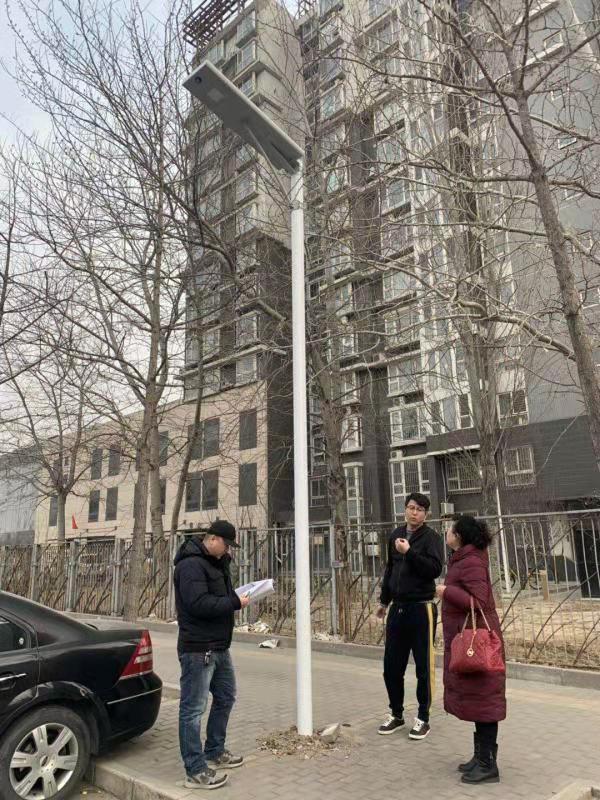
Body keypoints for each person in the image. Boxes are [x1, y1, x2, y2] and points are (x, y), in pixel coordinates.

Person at [174, 520, 250, 790]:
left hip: (218, 646)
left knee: (226, 696)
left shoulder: (216, 563)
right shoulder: (190, 565)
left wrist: (235, 594)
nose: (228, 551)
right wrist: (234, 602)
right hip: (198, 648)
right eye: (226, 545)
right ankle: (195, 770)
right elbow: (198, 603)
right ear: (213, 539)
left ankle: (215, 750)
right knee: (193, 709)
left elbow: (219, 595)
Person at [436, 515, 506, 784]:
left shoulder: (472, 561)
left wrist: (446, 591)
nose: (446, 532)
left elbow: (478, 601)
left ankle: (488, 764)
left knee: (485, 700)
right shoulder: (464, 558)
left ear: (459, 535)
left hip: (479, 644)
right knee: (479, 699)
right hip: (469, 641)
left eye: (449, 529)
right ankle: (480, 757)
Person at [376, 492, 444, 740]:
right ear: (404, 509)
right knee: (391, 666)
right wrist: (384, 601)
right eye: (411, 508)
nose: (414, 513)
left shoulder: (431, 538)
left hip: (421, 608)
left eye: (420, 510)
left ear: (426, 514)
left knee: (423, 667)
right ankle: (396, 714)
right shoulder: (395, 534)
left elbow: (434, 569)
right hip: (398, 608)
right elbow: (390, 569)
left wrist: (409, 552)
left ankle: (423, 718)